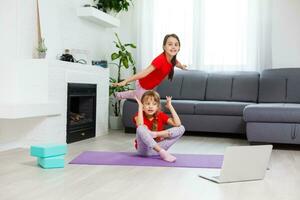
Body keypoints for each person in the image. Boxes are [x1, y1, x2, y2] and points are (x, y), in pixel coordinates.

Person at [112, 33, 187, 100]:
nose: (173, 47)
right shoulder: (160, 60)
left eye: (176, 44)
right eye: (170, 44)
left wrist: (182, 67)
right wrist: (126, 81)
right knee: (145, 104)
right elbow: (144, 73)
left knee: (143, 98)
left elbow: (176, 63)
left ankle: (123, 94)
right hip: (143, 84)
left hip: (152, 86)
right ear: (164, 47)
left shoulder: (172, 59)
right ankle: (120, 95)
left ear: (179, 48)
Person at [134, 90, 185, 162]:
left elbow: (178, 124)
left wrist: (170, 106)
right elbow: (140, 125)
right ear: (143, 105)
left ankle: (154, 134)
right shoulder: (138, 115)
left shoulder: (160, 115)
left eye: (154, 104)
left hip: (156, 149)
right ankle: (162, 152)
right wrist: (140, 108)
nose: (150, 106)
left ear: (157, 107)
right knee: (140, 128)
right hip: (144, 151)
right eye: (147, 104)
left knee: (181, 128)